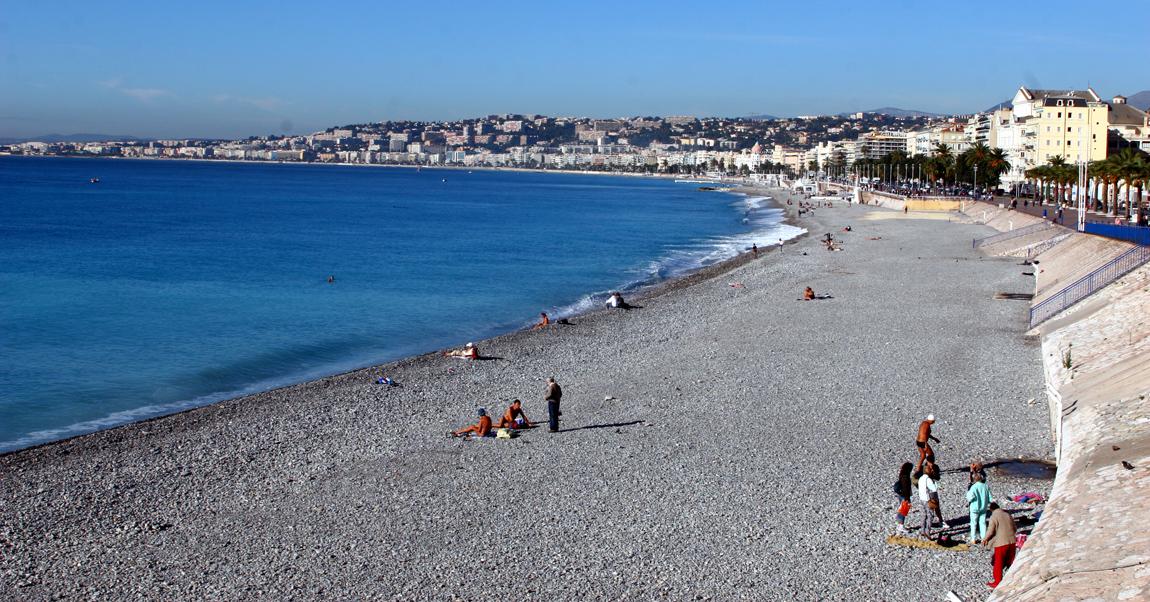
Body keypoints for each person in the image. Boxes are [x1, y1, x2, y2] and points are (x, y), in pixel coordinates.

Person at [983, 502, 1017, 589]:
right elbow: (1015, 528)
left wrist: (985, 539)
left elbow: (990, 531)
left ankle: (997, 582)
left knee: (998, 562)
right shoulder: (1007, 514)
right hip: (1012, 541)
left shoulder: (993, 517)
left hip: (1001, 543)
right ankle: (1014, 578)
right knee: (1011, 562)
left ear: (991, 510)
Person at [965, 472, 992, 543]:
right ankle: (984, 538)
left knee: (973, 523)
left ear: (974, 479)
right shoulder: (986, 486)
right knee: (983, 523)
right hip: (983, 507)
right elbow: (990, 498)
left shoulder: (973, 487)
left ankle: (973, 539)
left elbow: (970, 498)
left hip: (974, 507)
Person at [917, 464, 939, 537]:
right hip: (928, 499)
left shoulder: (920, 478)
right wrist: (934, 481)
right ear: (927, 470)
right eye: (930, 469)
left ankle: (922, 530)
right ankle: (927, 531)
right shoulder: (928, 479)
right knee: (930, 516)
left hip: (921, 499)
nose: (931, 470)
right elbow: (934, 488)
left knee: (923, 515)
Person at [894, 462, 913, 532]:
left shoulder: (902, 474)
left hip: (901, 494)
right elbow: (906, 489)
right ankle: (901, 526)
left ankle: (899, 524)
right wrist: (907, 499)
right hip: (904, 496)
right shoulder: (906, 477)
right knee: (904, 510)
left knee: (902, 508)